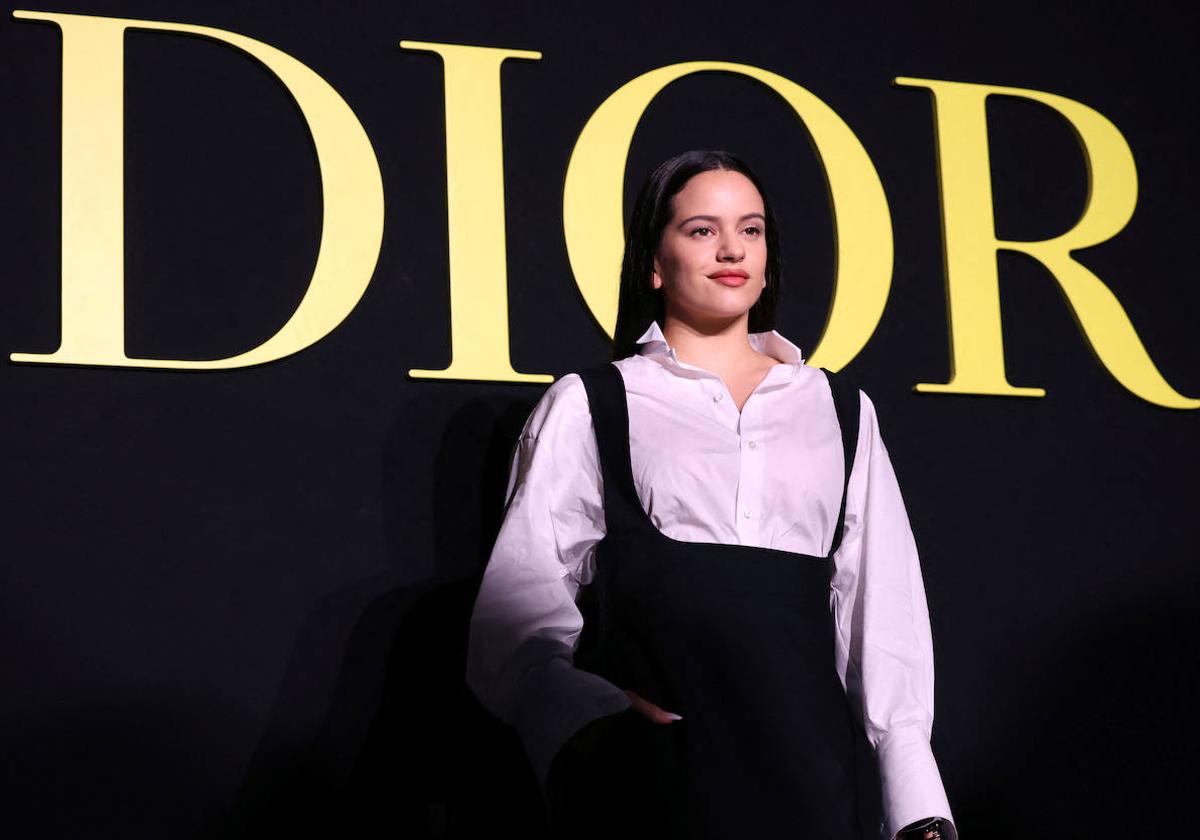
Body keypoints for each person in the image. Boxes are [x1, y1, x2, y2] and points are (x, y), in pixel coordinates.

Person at [465, 150, 957, 839]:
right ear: (654, 261)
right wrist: (591, 714)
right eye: (702, 230)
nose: (732, 249)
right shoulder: (594, 403)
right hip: (652, 789)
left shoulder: (837, 408)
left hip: (813, 783)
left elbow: (882, 615)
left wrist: (916, 808)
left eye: (750, 230)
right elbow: (515, 620)